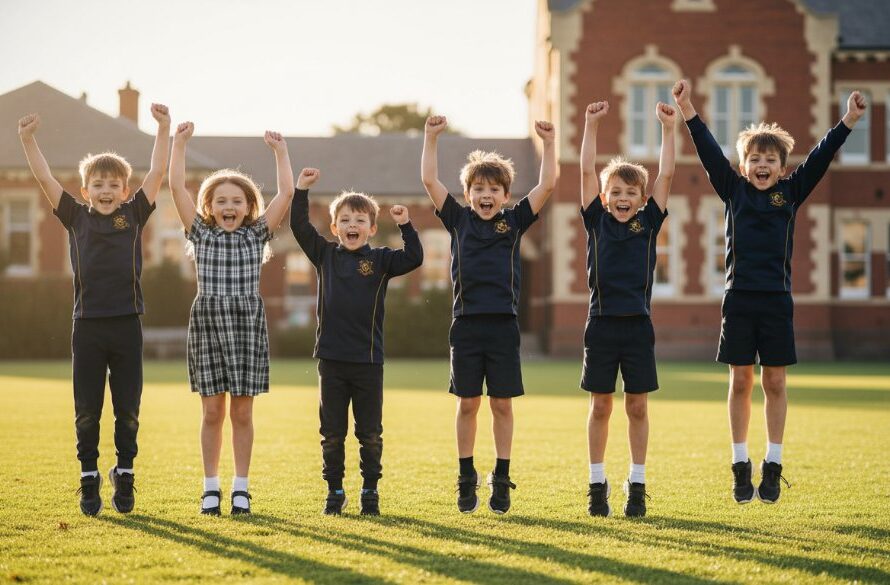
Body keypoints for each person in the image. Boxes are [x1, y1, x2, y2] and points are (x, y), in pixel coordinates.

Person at [673, 79, 867, 504]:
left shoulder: (791, 194)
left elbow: (819, 158)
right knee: (740, 381)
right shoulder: (733, 191)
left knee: (774, 382)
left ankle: (772, 465)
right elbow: (707, 149)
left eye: (770, 160)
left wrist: (848, 120)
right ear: (744, 167)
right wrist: (688, 108)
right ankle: (740, 465)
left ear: (781, 168)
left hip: (777, 302)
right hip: (739, 300)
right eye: (755, 159)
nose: (762, 165)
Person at [17, 103, 171, 516]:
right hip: (87, 327)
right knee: (87, 409)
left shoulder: (134, 215)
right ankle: (89, 477)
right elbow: (45, 178)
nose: (105, 191)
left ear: (125, 190)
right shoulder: (76, 217)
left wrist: (163, 129)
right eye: (98, 184)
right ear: (86, 191)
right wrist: (28, 139)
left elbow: (157, 174)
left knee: (128, 409)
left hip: (126, 325)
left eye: (113, 185)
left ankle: (124, 471)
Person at [421, 114, 557, 514]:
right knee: (467, 404)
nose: (485, 194)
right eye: (478, 188)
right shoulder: (459, 219)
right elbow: (430, 181)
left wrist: (549, 144)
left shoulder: (513, 223)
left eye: (493, 189)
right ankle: (467, 477)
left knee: (501, 404)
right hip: (465, 326)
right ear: (467, 193)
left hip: (503, 326)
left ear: (504, 195)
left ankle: (501, 476)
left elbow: (547, 184)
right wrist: (431, 138)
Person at [168, 121, 294, 515]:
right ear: (209, 207)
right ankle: (210, 487)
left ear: (248, 207)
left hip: (245, 324)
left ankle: (241, 487)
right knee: (211, 411)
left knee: (241, 411)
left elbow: (287, 192)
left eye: (237, 201)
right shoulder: (200, 234)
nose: (228, 207)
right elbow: (175, 186)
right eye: (221, 200)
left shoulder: (256, 235)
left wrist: (280, 152)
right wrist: (179, 143)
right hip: (207, 323)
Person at [289, 169, 423, 515]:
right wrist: (301, 189)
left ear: (372, 229)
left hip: (367, 362)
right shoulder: (326, 256)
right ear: (334, 228)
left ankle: (369, 491)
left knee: (370, 434)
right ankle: (334, 490)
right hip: (332, 361)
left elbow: (415, 257)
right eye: (345, 220)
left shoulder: (380, 261)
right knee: (332, 433)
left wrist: (406, 224)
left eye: (360, 220)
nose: (352, 225)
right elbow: (300, 228)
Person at [578, 100, 676, 517]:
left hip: (637, 327)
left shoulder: (648, 222)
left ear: (640, 199)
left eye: (630, 193)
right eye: (615, 192)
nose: (622, 197)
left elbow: (667, 173)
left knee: (637, 407)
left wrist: (669, 131)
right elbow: (585, 170)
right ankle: (596, 484)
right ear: (604, 197)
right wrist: (590, 124)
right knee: (601, 406)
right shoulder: (596, 220)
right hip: (600, 326)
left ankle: (636, 484)